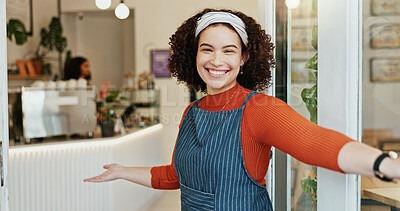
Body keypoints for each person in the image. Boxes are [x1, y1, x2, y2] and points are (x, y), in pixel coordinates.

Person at [84, 8, 400, 210]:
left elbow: (313, 143)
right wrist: (123, 171)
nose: (216, 60)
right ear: (193, 55)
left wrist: (385, 163)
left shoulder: (259, 109)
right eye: (207, 49)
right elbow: (178, 176)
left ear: (244, 58)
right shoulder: (192, 112)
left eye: (229, 50)